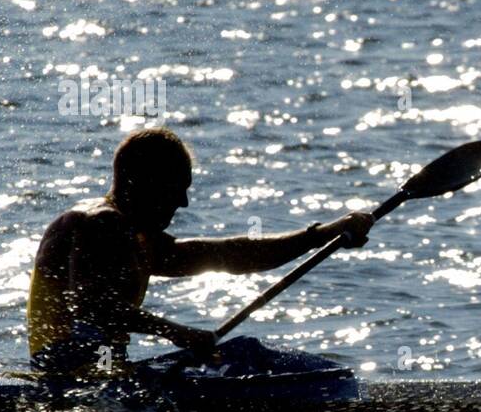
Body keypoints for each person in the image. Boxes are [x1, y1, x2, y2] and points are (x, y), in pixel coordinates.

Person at [27, 127, 374, 374]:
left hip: (106, 377)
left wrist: (320, 235)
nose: (184, 201)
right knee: (248, 357)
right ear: (143, 183)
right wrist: (179, 333)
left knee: (244, 355)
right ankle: (335, 403)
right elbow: (94, 308)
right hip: (67, 378)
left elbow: (230, 255)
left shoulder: (138, 239)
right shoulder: (98, 224)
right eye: (176, 188)